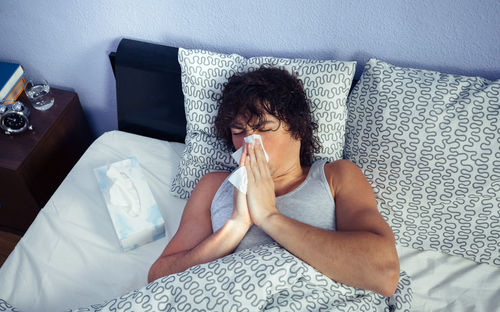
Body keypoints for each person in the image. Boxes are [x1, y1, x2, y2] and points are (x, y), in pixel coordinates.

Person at [148, 66, 400, 297]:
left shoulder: (336, 176)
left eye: (264, 128)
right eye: (239, 132)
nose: (249, 141)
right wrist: (235, 226)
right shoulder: (214, 185)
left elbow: (384, 274)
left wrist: (269, 217)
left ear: (298, 130)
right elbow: (158, 277)